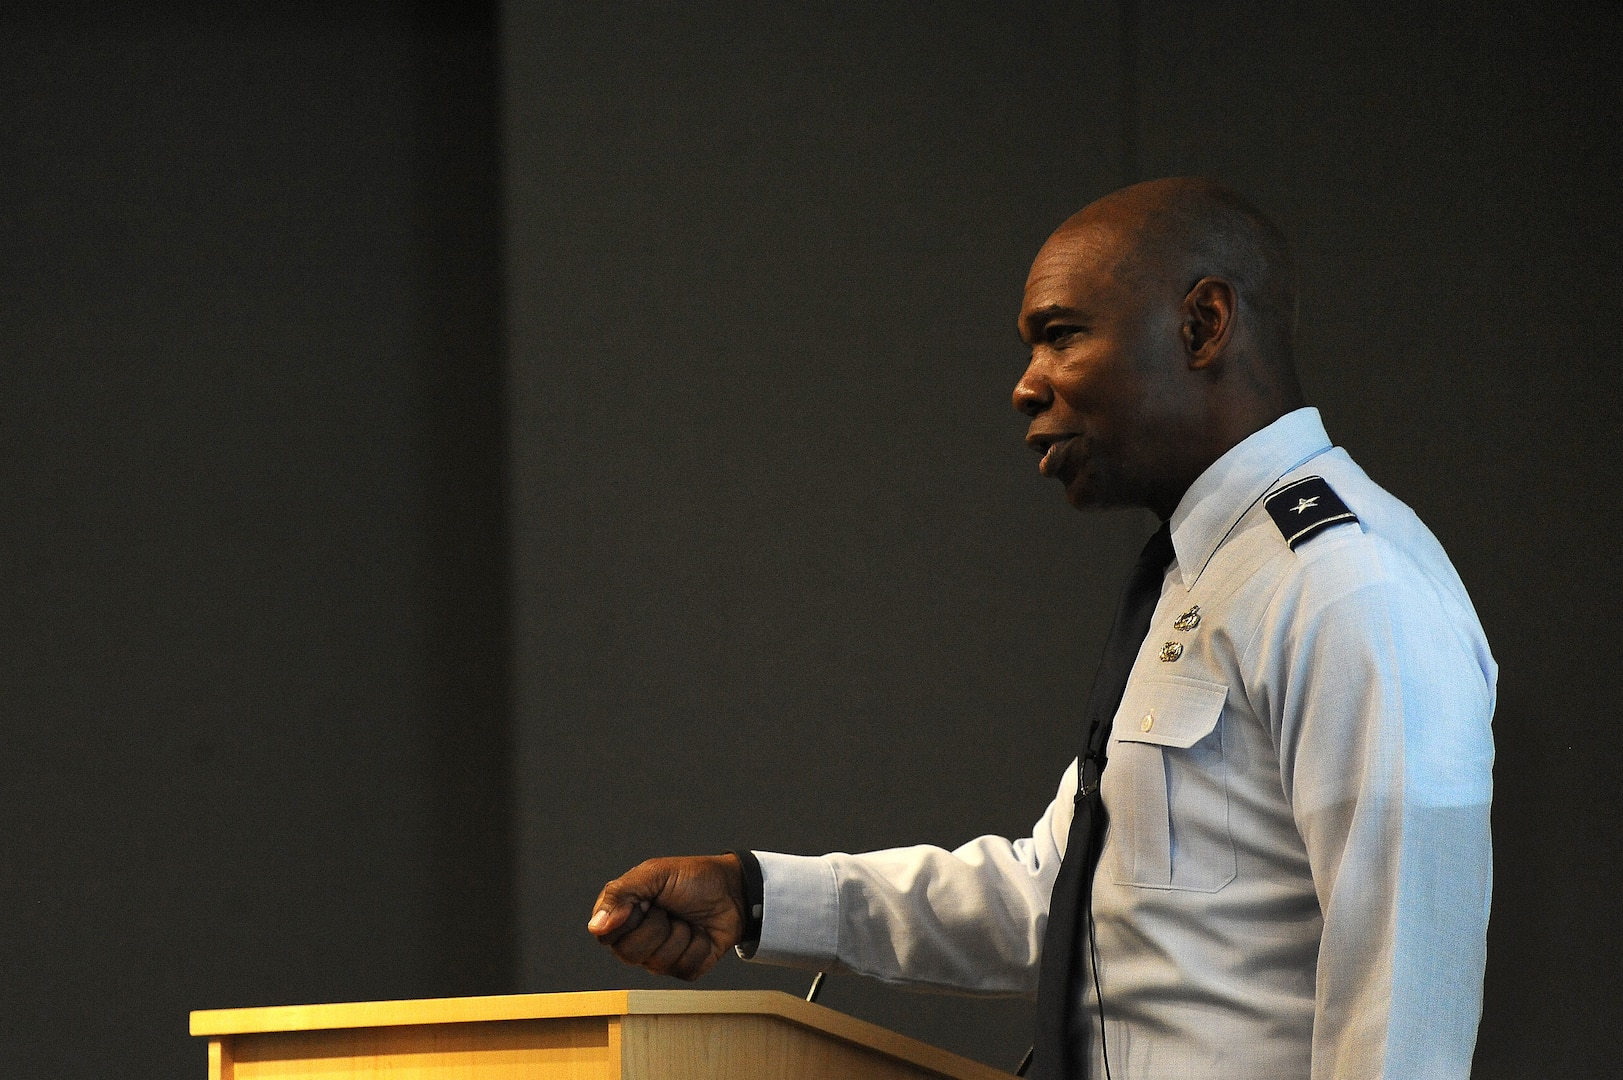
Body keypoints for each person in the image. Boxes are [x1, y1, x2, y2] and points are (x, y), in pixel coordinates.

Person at [586, 178, 1496, 1079]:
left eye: (1060, 336)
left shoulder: (1344, 582)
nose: (1026, 388)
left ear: (1201, 325)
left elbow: (1403, 987)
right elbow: (1060, 901)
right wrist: (756, 896)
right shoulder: (1204, 574)